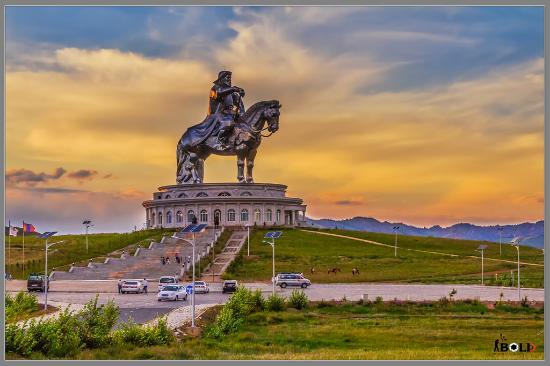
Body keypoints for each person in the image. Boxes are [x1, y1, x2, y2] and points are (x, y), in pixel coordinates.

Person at [209, 71, 246, 149]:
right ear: (221, 79)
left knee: (244, 123)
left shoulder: (231, 92)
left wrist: (243, 113)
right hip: (218, 113)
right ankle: (220, 141)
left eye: (230, 78)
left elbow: (238, 103)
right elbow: (220, 93)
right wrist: (234, 88)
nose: (229, 80)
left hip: (230, 112)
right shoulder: (216, 88)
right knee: (228, 123)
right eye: (227, 78)